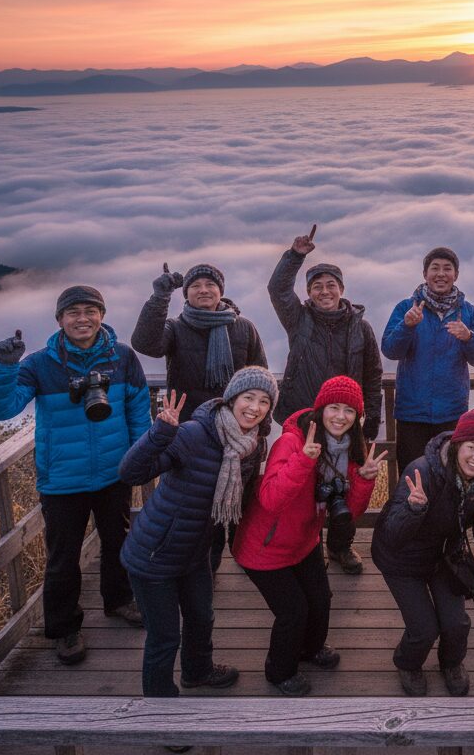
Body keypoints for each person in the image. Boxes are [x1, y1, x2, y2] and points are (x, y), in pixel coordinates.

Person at [0, 286, 151, 665]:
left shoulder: (123, 358)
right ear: (59, 320)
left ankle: (120, 600)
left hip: (115, 473)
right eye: (73, 312)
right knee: (62, 558)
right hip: (63, 479)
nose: (83, 318)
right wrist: (3, 368)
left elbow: (139, 411)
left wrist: (140, 457)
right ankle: (64, 628)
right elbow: (2, 409)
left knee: (119, 543)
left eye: (90, 311)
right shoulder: (40, 364)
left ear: (102, 315)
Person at [119, 366, 276, 698]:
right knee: (164, 638)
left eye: (264, 401)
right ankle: (162, 711)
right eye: (249, 397)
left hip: (195, 551)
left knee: (202, 617)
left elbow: (245, 502)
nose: (255, 407)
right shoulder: (193, 434)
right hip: (154, 554)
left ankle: (198, 671)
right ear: (232, 398)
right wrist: (160, 432)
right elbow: (131, 472)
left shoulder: (252, 445)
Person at [233, 376, 385, 695]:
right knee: (293, 611)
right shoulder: (291, 442)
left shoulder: (347, 449)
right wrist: (305, 459)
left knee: (320, 599)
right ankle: (279, 671)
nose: (340, 416)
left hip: (303, 541)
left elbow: (350, 513)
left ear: (357, 417)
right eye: (333, 407)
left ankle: (310, 650)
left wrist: (365, 480)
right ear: (320, 409)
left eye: (348, 410)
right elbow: (272, 498)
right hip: (265, 547)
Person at [371, 409, 474, 697]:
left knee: (456, 624)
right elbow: (392, 535)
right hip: (401, 558)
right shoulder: (423, 472)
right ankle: (408, 663)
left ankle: (451, 663)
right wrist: (414, 509)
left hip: (444, 557)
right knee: (424, 628)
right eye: (471, 447)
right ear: (457, 445)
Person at [132, 261, 269, 573]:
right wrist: (159, 297)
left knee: (242, 502)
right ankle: (206, 569)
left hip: (240, 433)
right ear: (186, 293)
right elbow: (145, 343)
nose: (203, 290)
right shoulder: (176, 328)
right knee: (198, 510)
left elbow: (260, 376)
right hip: (193, 436)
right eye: (195, 286)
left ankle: (247, 558)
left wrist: (261, 428)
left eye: (210, 284)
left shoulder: (243, 327)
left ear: (221, 290)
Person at [268, 225, 383, 575]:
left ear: (342, 290)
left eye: (331, 284)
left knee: (345, 485)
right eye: (317, 286)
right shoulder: (299, 320)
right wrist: (295, 255)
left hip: (347, 422)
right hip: (307, 419)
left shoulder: (360, 327)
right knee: (305, 487)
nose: (324, 291)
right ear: (309, 293)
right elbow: (277, 289)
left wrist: (372, 417)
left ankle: (340, 547)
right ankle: (306, 548)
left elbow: (374, 373)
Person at [381, 247, 474, 473]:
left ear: (456, 275)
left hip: (452, 412)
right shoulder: (406, 308)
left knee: (449, 477)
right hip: (411, 412)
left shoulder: (468, 312)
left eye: (447, 269)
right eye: (435, 268)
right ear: (425, 274)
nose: (441, 274)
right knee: (411, 477)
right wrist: (407, 326)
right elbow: (391, 350)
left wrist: (468, 337)